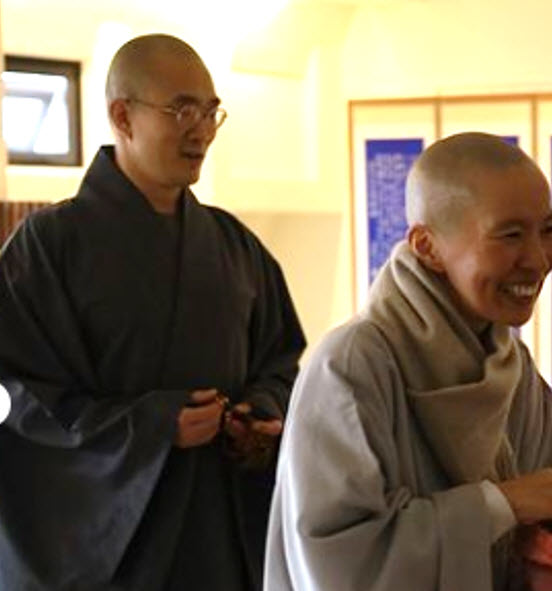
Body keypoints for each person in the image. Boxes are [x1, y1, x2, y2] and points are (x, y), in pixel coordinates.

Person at [0, 34, 306, 590]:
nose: (203, 130)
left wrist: (260, 413)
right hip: (110, 546)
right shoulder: (47, 246)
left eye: (212, 111)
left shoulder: (234, 244)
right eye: (183, 109)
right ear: (123, 115)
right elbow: (15, 399)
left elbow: (282, 361)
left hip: (220, 529)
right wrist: (144, 427)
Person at [265, 132, 552, 590]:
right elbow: (339, 567)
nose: (537, 259)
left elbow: (544, 534)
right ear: (427, 246)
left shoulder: (518, 376)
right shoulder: (352, 368)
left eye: (548, 230)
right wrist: (497, 507)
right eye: (510, 235)